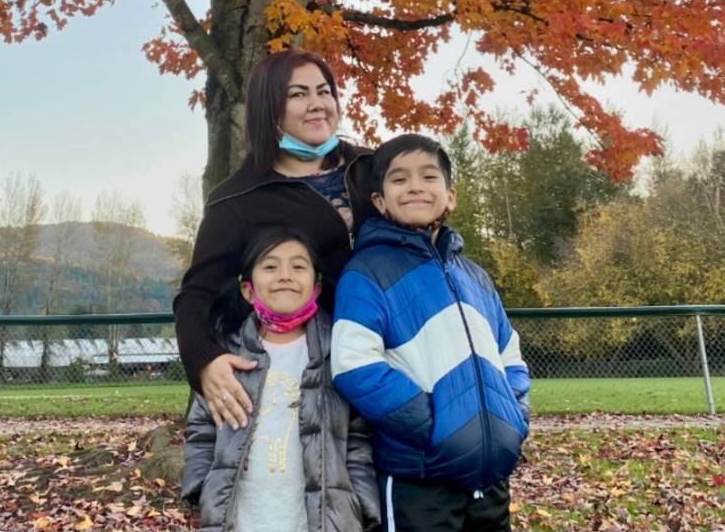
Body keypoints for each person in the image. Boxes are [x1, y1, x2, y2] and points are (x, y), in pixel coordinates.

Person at [331, 134, 530, 532]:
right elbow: (354, 365)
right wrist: (437, 427)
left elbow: (509, 352)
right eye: (399, 179)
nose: (416, 186)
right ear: (380, 201)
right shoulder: (366, 272)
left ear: (450, 195)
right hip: (418, 479)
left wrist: (513, 420)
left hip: (489, 479)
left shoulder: (474, 276)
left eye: (428, 176)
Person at [174, 49, 378, 431]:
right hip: (313, 381)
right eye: (298, 94)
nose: (317, 105)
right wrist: (204, 361)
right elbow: (197, 295)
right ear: (270, 108)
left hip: (393, 360)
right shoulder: (237, 199)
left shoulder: (374, 169)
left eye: (324, 92)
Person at [182, 227, 380, 532]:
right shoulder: (225, 356)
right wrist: (200, 489)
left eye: (298, 266)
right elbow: (201, 429)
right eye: (270, 266)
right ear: (247, 289)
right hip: (240, 520)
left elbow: (358, 437)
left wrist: (359, 504)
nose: (285, 275)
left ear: (316, 286)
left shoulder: (338, 353)